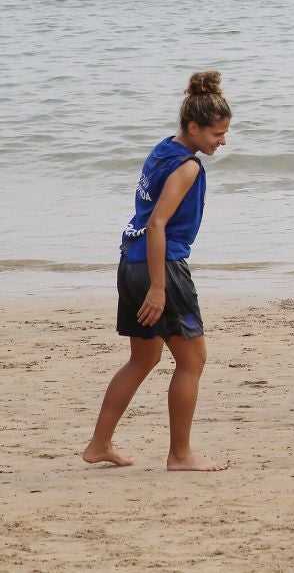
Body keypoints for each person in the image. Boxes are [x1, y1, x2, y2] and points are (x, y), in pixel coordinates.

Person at [83, 71, 233, 472]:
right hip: (158, 265)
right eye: (217, 134)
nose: (223, 141)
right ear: (193, 127)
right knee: (192, 360)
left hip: (131, 260)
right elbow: (157, 225)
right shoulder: (189, 168)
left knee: (143, 358)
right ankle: (180, 455)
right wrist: (159, 288)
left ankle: (99, 444)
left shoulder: (164, 148)